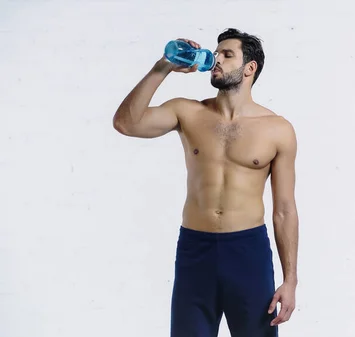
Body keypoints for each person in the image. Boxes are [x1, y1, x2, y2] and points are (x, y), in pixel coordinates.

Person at [112, 28, 299, 337]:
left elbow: (284, 210)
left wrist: (290, 281)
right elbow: (126, 123)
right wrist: (164, 67)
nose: (216, 60)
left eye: (227, 55)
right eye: (217, 52)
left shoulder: (277, 130)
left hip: (247, 252)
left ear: (249, 68)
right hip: (195, 250)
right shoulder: (187, 111)